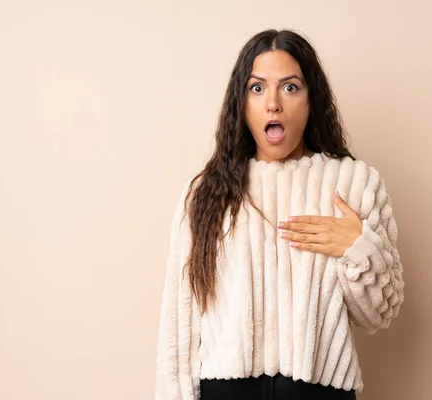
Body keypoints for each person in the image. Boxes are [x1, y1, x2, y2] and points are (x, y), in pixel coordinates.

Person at [154, 29, 405, 400]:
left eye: (289, 87)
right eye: (257, 88)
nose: (273, 103)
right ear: (241, 102)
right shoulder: (206, 194)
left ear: (311, 100)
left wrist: (357, 246)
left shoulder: (354, 184)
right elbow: (180, 324)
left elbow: (380, 313)